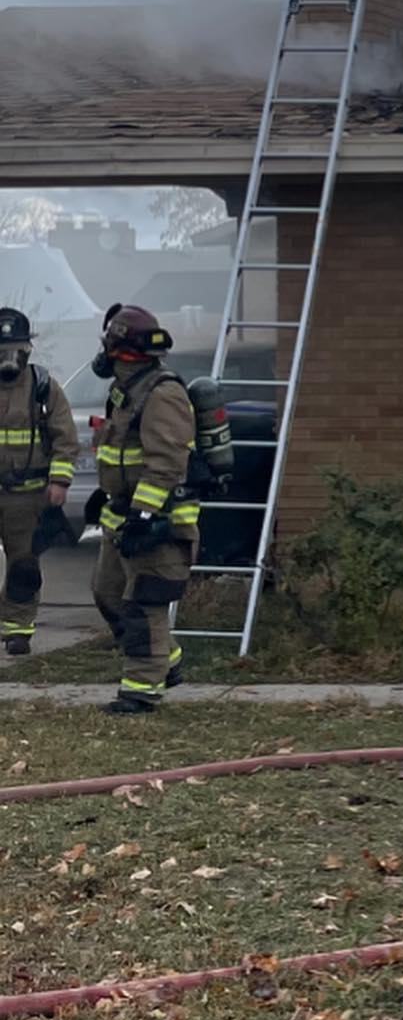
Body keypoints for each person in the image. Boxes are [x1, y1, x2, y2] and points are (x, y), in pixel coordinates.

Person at [89, 304, 200, 715]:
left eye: (108, 345)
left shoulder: (162, 392)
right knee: (108, 594)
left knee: (144, 603)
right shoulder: (127, 390)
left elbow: (167, 463)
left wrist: (146, 515)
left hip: (160, 522)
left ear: (120, 348)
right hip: (124, 516)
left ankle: (140, 691)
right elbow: (123, 455)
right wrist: (108, 494)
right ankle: (165, 661)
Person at [0, 307, 78, 655]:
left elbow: (66, 437)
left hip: (27, 495)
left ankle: (18, 630)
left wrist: (59, 482)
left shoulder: (43, 386)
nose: (10, 357)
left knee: (24, 566)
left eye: (17, 347)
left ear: (28, 348)